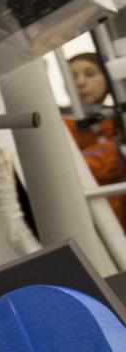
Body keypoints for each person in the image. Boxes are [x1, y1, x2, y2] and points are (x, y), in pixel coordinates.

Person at [65, 52, 126, 228]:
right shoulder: (60, 126)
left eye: (90, 74)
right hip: (96, 226)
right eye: (72, 76)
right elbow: (70, 170)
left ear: (108, 78)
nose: (80, 83)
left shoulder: (116, 119)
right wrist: (116, 150)